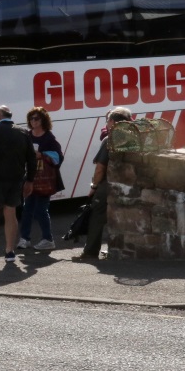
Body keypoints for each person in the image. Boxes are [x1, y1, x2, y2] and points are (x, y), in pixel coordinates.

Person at [0, 105, 37, 263]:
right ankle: (9, 251)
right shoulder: (23, 132)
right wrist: (30, 180)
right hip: (16, 179)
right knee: (11, 214)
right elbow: (31, 158)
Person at [75, 106, 133, 262]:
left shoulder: (110, 139)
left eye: (107, 120)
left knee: (97, 216)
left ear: (112, 122)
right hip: (130, 184)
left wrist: (94, 186)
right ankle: (119, 249)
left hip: (109, 185)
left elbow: (100, 168)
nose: (106, 124)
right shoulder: (135, 138)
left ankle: (90, 252)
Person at [18, 106, 64, 252]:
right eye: (31, 118)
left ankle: (48, 239)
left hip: (44, 179)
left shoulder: (48, 137)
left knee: (41, 210)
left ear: (43, 120)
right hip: (30, 177)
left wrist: (42, 154)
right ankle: (24, 239)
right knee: (27, 209)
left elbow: (58, 157)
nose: (33, 121)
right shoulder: (27, 135)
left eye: (36, 118)